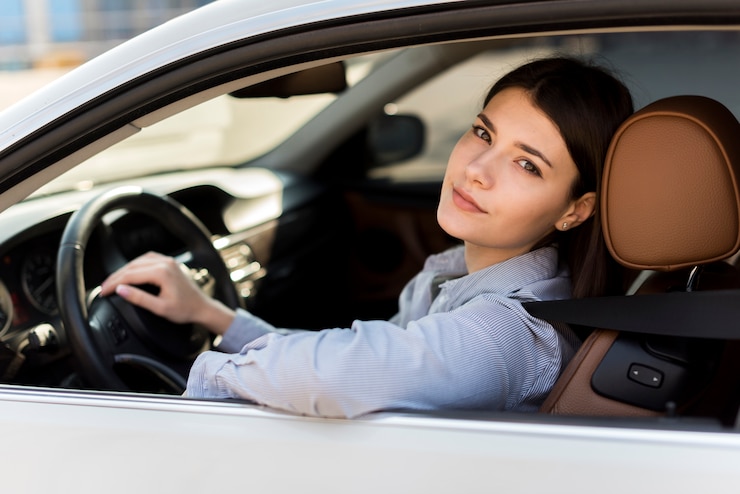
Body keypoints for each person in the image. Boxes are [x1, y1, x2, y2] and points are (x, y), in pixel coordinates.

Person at [100, 56, 634, 418]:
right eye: (482, 133)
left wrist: (194, 385)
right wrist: (211, 316)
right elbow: (364, 356)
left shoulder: (510, 334)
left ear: (575, 210)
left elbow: (339, 375)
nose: (476, 169)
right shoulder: (453, 271)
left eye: (526, 164)